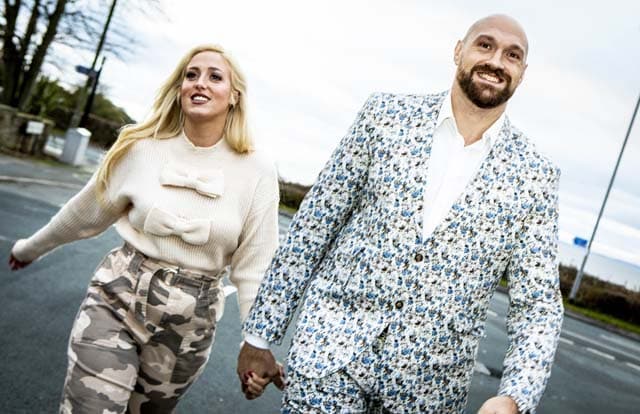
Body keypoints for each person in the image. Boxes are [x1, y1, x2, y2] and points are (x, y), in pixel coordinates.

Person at [238, 14, 563, 414]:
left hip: (428, 391)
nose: (496, 61)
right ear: (458, 50)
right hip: (329, 357)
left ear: (522, 73)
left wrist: (515, 396)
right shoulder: (385, 116)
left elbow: (538, 304)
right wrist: (259, 336)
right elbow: (314, 227)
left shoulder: (536, 176)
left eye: (512, 55)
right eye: (485, 45)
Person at [9, 44, 280, 413]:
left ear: (234, 95)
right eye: (191, 75)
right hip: (117, 298)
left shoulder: (258, 170)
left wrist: (256, 343)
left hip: (189, 329)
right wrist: (29, 249)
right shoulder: (140, 148)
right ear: (179, 88)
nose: (199, 83)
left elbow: (255, 268)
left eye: (215, 77)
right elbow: (84, 213)